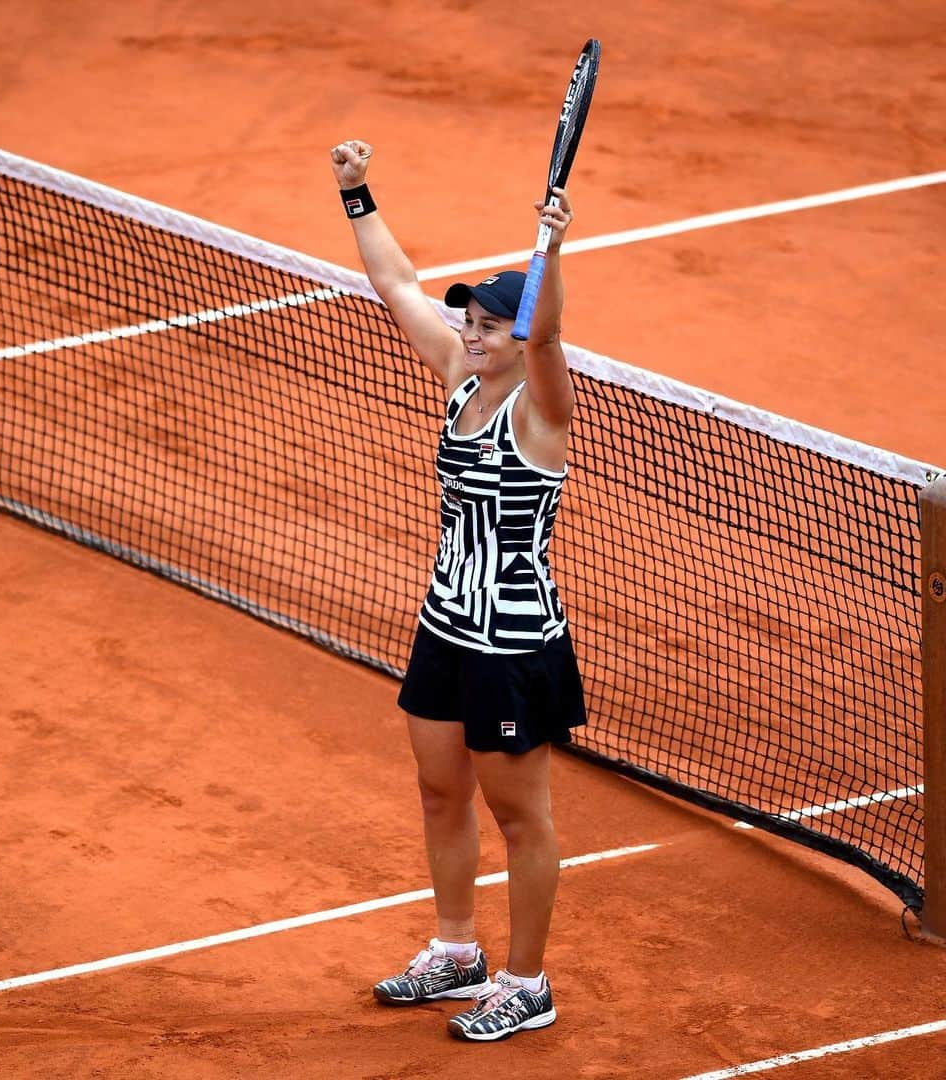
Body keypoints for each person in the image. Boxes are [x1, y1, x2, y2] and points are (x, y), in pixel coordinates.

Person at [330, 139, 587, 1043]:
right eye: (468, 321)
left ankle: (526, 982)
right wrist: (358, 194)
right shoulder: (461, 378)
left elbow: (548, 331)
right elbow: (397, 284)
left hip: (515, 644)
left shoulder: (542, 409)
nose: (468, 331)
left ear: (517, 336)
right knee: (439, 791)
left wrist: (549, 248)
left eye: (483, 322)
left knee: (521, 817)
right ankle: (455, 951)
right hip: (444, 626)